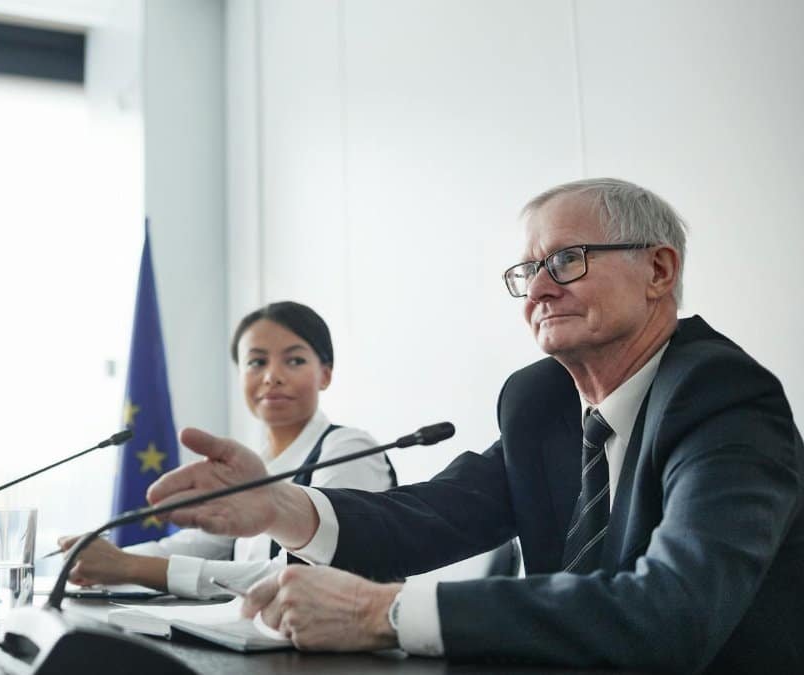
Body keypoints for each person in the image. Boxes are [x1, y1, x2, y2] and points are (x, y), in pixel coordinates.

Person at [147, 179, 804, 673]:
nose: (540, 290)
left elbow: (671, 612)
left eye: (567, 259)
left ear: (659, 271)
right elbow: (424, 517)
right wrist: (278, 504)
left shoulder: (722, 398)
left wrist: (384, 614)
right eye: (528, 271)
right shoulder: (540, 401)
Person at [58, 301, 396, 598]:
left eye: (294, 361)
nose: (271, 377)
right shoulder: (255, 464)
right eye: (256, 362)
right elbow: (193, 545)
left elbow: (299, 579)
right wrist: (99, 555)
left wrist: (129, 567)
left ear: (325, 374)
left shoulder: (350, 449)